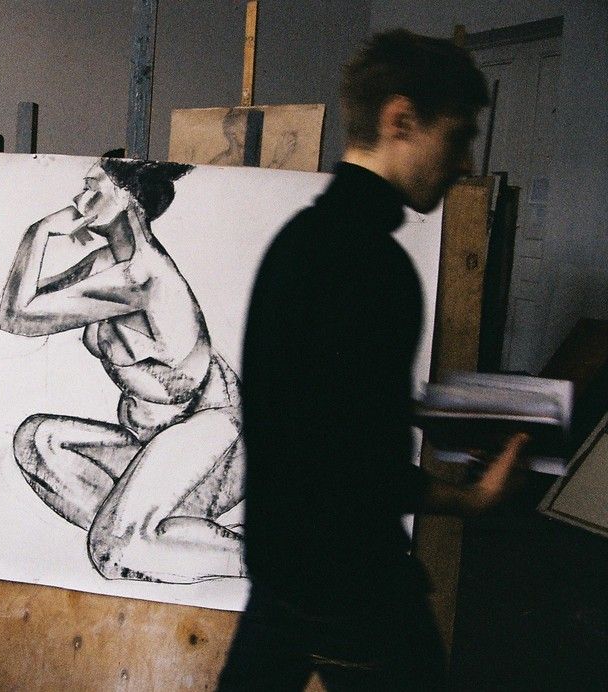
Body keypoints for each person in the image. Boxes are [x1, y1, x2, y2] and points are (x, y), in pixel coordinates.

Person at [219, 30, 530, 690]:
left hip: (282, 568)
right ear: (400, 119)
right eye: (458, 136)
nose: (465, 162)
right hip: (349, 583)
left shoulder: (299, 242)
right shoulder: (373, 265)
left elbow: (306, 406)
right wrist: (473, 499)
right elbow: (353, 471)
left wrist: (423, 413)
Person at [0, 158, 246, 584]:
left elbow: (17, 316)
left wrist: (38, 231)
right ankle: (163, 534)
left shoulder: (141, 276)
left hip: (217, 443)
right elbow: (17, 299)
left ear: (128, 198)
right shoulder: (104, 264)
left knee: (112, 552)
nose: (78, 199)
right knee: (37, 440)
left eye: (92, 187)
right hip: (150, 443)